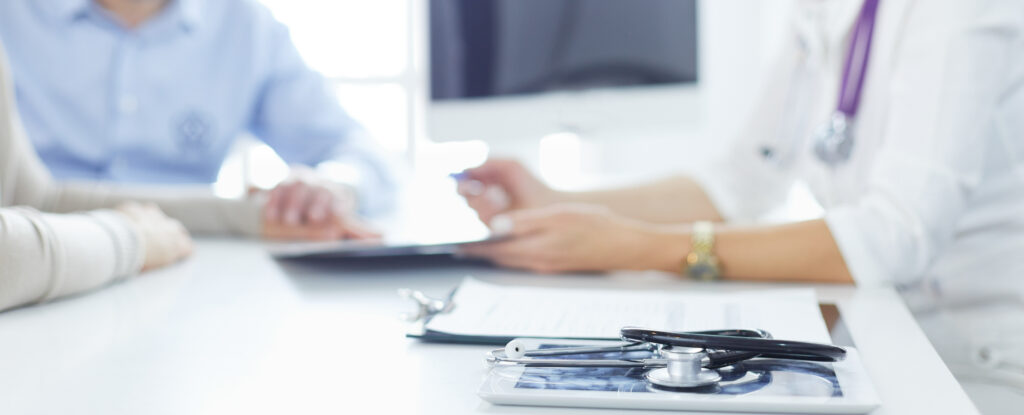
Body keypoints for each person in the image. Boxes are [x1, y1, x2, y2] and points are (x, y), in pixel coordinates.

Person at [456, 0, 1024, 411]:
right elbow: (744, 178)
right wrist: (558, 203)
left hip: (969, 363)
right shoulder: (821, 10)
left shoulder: (960, 10)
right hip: (873, 332)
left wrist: (632, 245)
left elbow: (895, 235)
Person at [0, 0, 394, 240]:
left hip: (189, 263)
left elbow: (360, 153)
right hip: (35, 252)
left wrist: (334, 185)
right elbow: (35, 199)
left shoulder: (246, 26)